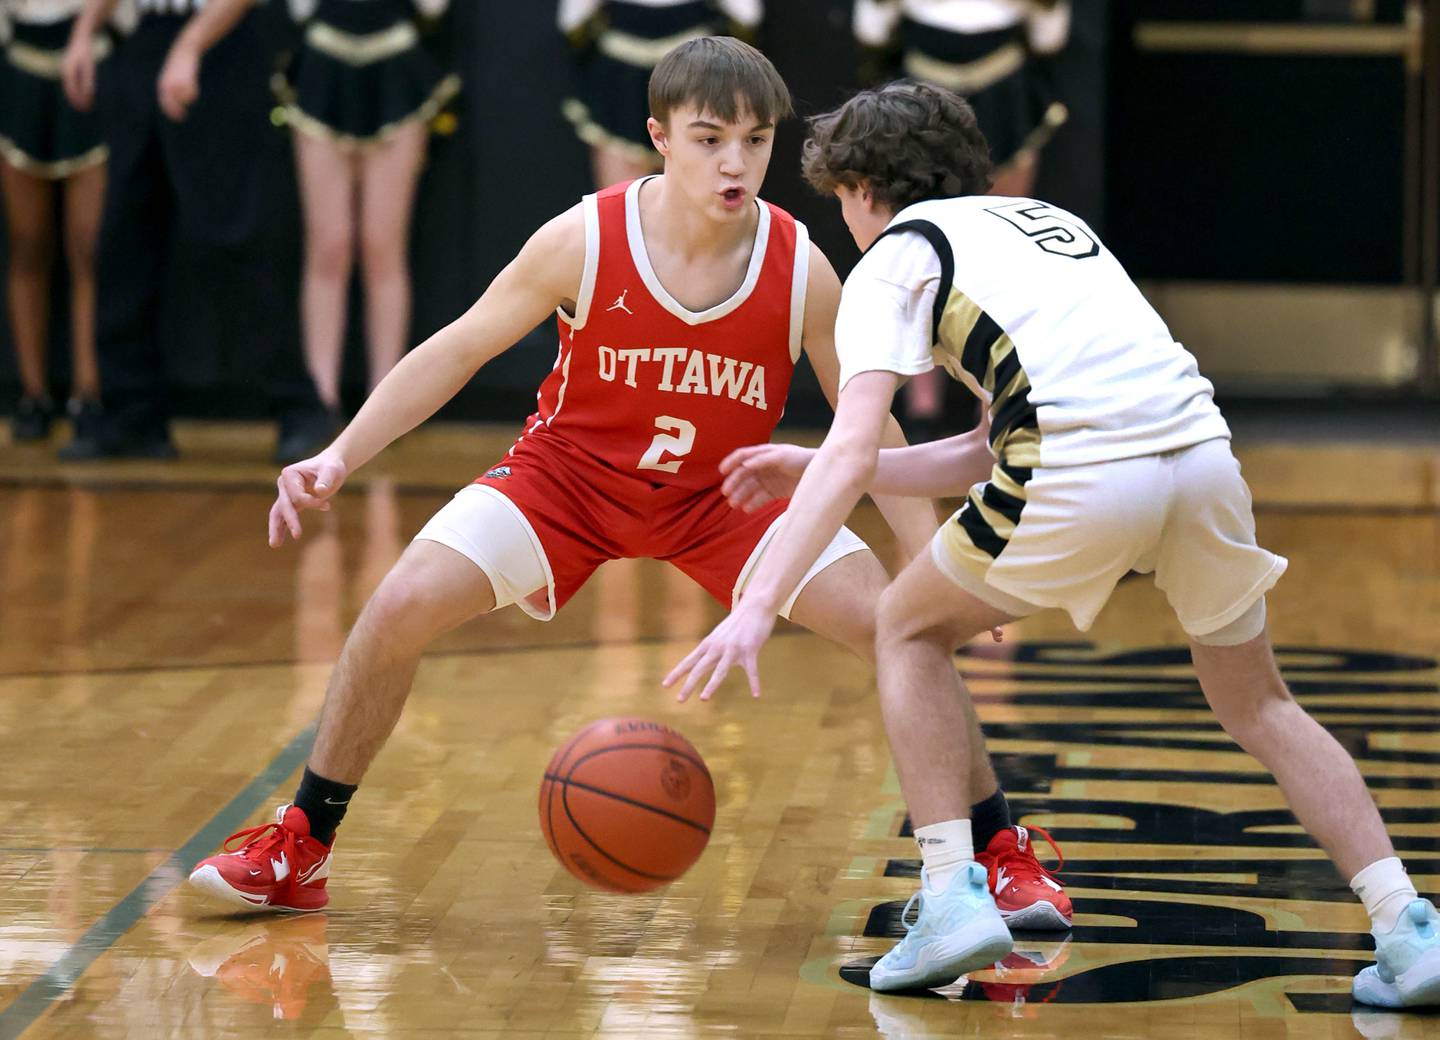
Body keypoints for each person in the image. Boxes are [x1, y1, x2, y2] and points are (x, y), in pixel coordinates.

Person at [184, 38, 1069, 928]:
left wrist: (927, 558)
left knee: (902, 631)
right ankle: (302, 844)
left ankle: (998, 851)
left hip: (726, 498)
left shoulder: (801, 267)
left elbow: (869, 428)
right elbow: (460, 346)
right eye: (709, 138)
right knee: (396, 606)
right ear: (659, 137)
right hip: (565, 482)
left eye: (755, 142)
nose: (735, 163)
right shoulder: (584, 237)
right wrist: (341, 454)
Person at [665, 80, 1440, 1005]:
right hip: (1198, 459)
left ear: (867, 188)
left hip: (1080, 470)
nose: (847, 223)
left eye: (842, 200)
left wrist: (756, 603)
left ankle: (952, 893)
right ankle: (1406, 926)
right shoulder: (1049, 224)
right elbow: (981, 445)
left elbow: (860, 439)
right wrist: (824, 466)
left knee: (906, 629)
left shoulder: (892, 260)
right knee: (1260, 704)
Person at [160, 0, 460, 432]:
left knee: (382, 247)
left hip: (396, 68)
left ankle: (387, 407)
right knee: (329, 246)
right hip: (322, 69)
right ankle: (319, 401)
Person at [60, 0, 328, 462]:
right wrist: (85, 31)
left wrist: (190, 45)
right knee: (125, 240)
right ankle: (132, 416)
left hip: (221, 44)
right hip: (146, 41)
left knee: (238, 236)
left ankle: (296, 408)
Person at [853, 0, 1070, 443]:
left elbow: (1051, 34)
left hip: (1002, 86)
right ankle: (922, 407)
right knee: (916, 246)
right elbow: (872, 29)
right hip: (918, 92)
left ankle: (996, 403)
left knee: (1004, 250)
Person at [0, 0, 120, 447]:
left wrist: (86, 32)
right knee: (28, 244)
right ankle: (33, 395)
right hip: (21, 65)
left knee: (87, 248)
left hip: (91, 64)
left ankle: (88, 394)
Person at [559, 0, 761, 188]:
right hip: (644, 75)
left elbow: (572, 21)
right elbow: (747, 16)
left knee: (627, 192)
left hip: (674, 71)